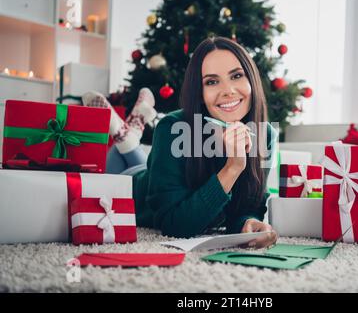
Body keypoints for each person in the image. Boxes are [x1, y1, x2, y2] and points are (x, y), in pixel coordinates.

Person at [83, 36, 278, 248]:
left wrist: (248, 223)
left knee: (131, 149)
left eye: (237, 76)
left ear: (252, 79)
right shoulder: (172, 127)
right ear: (200, 92)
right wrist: (233, 167)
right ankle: (126, 135)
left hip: (151, 167)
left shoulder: (263, 134)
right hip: (128, 184)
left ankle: (129, 132)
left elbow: (249, 205)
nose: (228, 90)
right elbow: (175, 225)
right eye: (211, 81)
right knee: (102, 176)